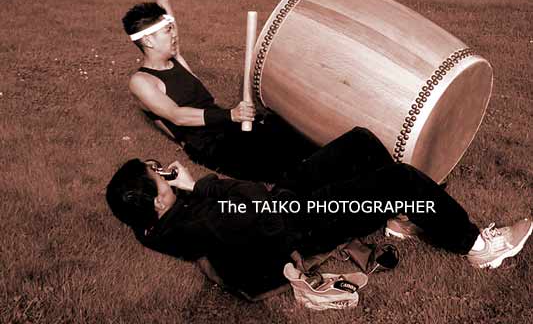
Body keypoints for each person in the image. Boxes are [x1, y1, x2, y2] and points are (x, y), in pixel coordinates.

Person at [106, 126, 532, 299]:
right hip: (292, 227)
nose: (164, 174)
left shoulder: (151, 223)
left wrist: (185, 188)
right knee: (399, 179)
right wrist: (199, 184)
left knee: (360, 143)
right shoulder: (206, 218)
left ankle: (394, 217)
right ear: (160, 201)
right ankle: (477, 246)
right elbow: (258, 201)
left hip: (272, 209)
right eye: (159, 178)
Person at [112, 0, 316, 182]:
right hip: (210, 146)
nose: (175, 33)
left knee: (298, 139)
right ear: (148, 40)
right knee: (291, 170)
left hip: (227, 127)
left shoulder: (175, 57)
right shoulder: (142, 82)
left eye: (172, 27)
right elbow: (177, 116)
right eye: (168, 30)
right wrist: (231, 115)